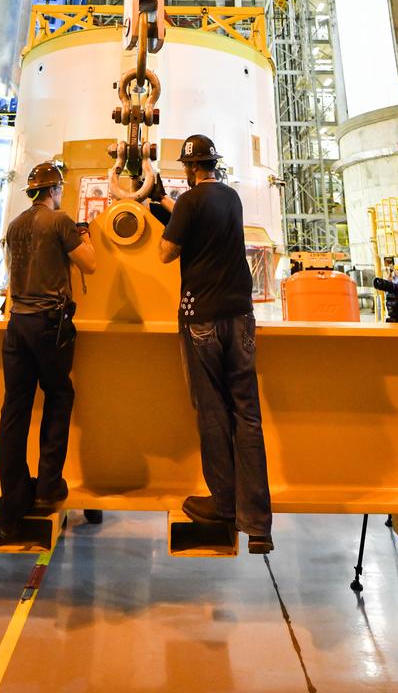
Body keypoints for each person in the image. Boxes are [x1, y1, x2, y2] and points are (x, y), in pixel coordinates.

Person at [155, 134, 274, 555]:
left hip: (201, 317)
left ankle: (223, 504)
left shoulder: (189, 202)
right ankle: (258, 523)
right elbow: (206, 226)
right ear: (214, 164)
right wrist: (169, 207)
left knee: (212, 412)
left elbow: (167, 253)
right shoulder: (232, 198)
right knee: (247, 414)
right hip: (241, 315)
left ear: (190, 168)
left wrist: (165, 216)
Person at [0, 161, 96, 540]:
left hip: (17, 325)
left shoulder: (15, 225)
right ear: (54, 191)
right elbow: (90, 264)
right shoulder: (60, 222)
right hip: (49, 325)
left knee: (15, 409)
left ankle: (12, 503)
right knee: (59, 394)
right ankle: (48, 485)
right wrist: (84, 235)